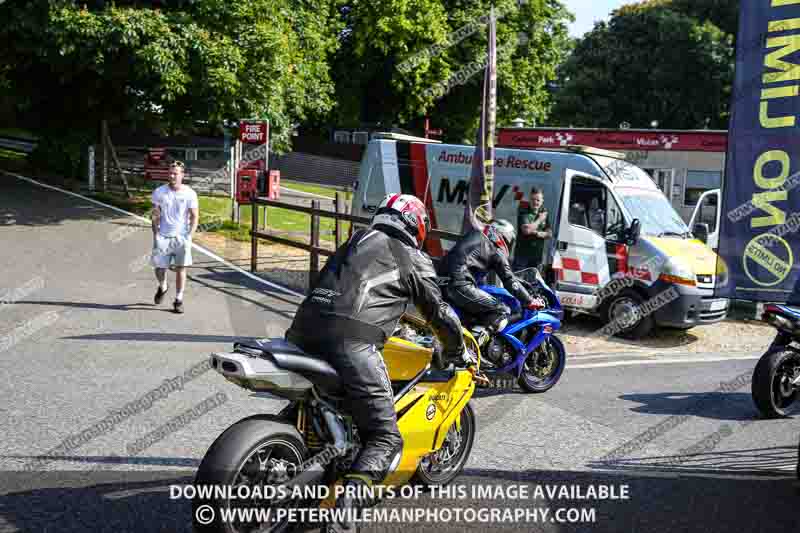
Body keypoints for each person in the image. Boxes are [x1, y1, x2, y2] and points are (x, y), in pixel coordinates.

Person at [285, 193, 471, 528]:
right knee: (386, 437)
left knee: (316, 398)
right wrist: (455, 349)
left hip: (300, 332)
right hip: (351, 342)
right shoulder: (411, 256)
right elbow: (439, 313)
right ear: (417, 226)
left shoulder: (357, 240)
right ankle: (345, 517)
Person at [441, 219, 540, 345]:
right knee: (502, 310)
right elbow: (509, 279)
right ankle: (474, 347)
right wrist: (529, 300)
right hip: (460, 285)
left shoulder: (474, 235)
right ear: (500, 236)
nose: (509, 243)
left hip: (443, 282)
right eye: (509, 240)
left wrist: (524, 285)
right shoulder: (495, 249)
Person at [150, 161, 199, 314]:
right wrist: (155, 233)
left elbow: (195, 216)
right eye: (170, 173)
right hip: (163, 236)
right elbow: (155, 214)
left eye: (175, 173)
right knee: (159, 268)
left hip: (181, 237)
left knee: (181, 268)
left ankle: (178, 299)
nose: (172, 176)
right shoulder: (159, 192)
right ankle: (163, 286)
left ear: (182, 175)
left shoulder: (190, 193)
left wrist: (189, 236)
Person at [513, 187, 553, 272]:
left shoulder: (544, 212)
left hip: (537, 258)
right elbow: (526, 230)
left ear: (542, 201)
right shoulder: (523, 210)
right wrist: (539, 220)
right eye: (533, 199)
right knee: (519, 282)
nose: (535, 202)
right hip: (522, 257)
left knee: (533, 283)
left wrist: (538, 233)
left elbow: (549, 233)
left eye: (538, 200)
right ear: (529, 200)